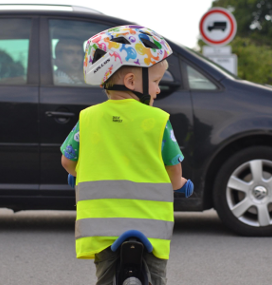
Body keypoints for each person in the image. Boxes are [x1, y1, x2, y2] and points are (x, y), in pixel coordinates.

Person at [60, 25, 193, 285]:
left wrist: (78, 175)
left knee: (106, 278)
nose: (157, 90)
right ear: (132, 82)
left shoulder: (87, 119)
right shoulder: (158, 120)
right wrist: (179, 185)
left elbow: (68, 161)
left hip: (100, 226)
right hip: (151, 224)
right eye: (155, 82)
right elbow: (173, 165)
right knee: (156, 277)